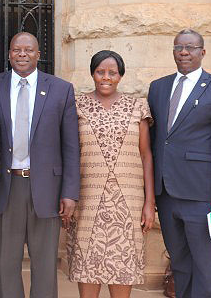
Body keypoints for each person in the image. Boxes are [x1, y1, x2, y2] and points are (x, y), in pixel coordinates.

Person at [0, 32, 80, 298]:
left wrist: (69, 192)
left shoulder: (61, 89)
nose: (22, 54)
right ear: (9, 53)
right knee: (6, 262)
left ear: (38, 54)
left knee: (44, 264)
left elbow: (70, 145)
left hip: (46, 187)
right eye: (16, 49)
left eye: (28, 50)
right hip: (6, 186)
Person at [148, 29, 211, 298]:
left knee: (206, 265)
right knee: (180, 265)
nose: (184, 52)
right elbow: (157, 141)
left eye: (190, 47)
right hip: (165, 194)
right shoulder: (158, 87)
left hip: (202, 196)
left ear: (202, 52)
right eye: (179, 47)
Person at [66, 50, 155, 298]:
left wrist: (150, 202)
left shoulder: (137, 106)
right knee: (88, 266)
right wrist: (67, 196)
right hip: (87, 199)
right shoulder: (76, 105)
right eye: (100, 72)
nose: (106, 77)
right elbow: (69, 153)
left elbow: (146, 155)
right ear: (92, 74)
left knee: (123, 266)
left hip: (129, 202)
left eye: (112, 73)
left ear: (120, 76)